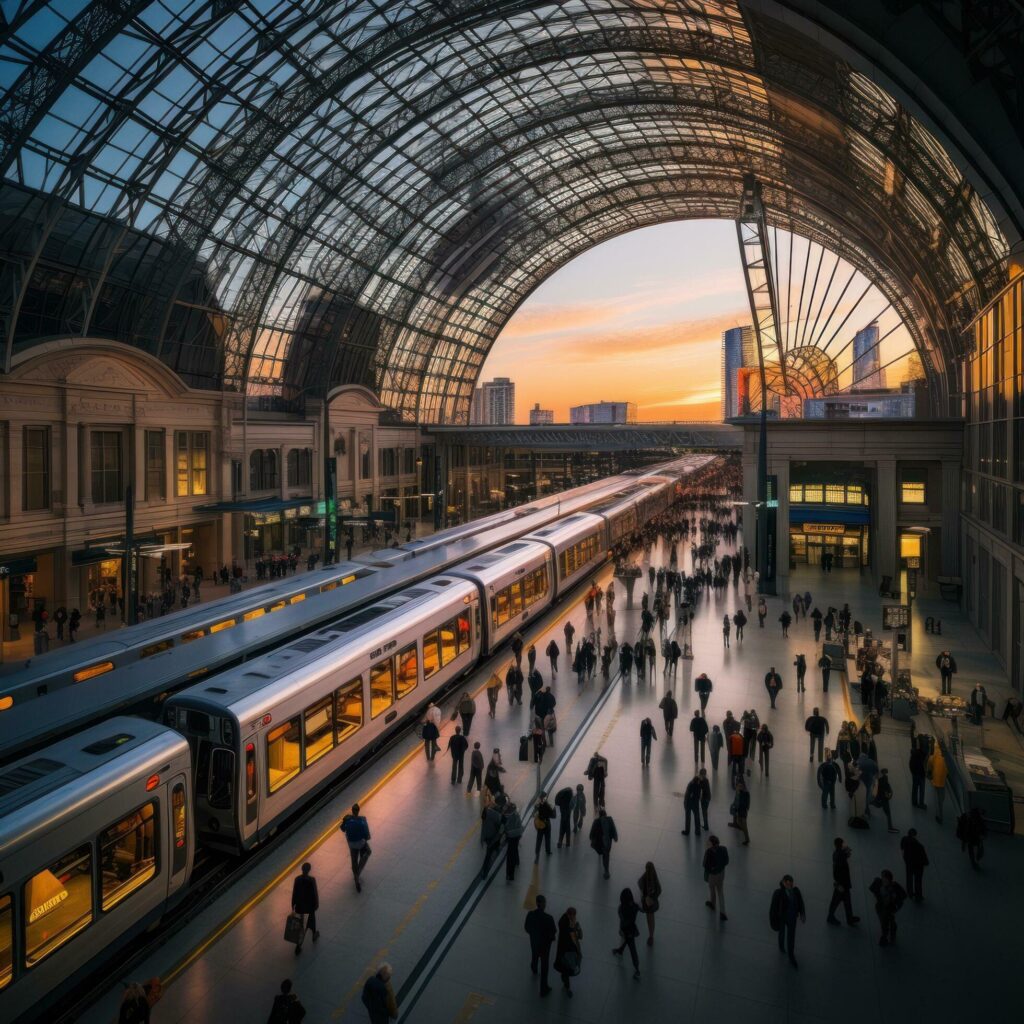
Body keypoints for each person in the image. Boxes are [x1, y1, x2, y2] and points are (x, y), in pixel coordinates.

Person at [769, 875, 806, 967]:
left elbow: (800, 903)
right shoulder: (778, 893)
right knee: (782, 933)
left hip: (792, 917)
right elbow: (773, 908)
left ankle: (791, 955)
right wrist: (774, 919)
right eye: (787, 883)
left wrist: (802, 913)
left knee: (791, 937)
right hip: (782, 918)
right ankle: (781, 946)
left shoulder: (796, 891)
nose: (790, 885)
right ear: (784, 883)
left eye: (791, 884)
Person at [524, 895, 557, 996]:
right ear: (543, 904)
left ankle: (534, 967)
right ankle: (543, 988)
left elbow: (526, 928)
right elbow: (553, 932)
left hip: (534, 943)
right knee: (544, 966)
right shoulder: (549, 918)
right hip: (545, 946)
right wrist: (549, 939)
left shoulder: (530, 914)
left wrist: (533, 935)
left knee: (534, 955)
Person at [826, 838, 860, 926]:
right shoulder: (840, 856)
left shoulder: (837, 853)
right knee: (837, 901)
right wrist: (838, 884)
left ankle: (849, 918)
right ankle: (832, 917)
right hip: (842, 884)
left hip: (842, 883)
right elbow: (848, 854)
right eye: (843, 843)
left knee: (845, 902)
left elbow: (847, 854)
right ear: (841, 845)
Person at [868, 869, 906, 947]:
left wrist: (895, 900)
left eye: (886, 879)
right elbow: (873, 889)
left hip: (890, 908)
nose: (884, 881)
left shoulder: (894, 886)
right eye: (883, 878)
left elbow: (903, 895)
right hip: (881, 907)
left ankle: (885, 936)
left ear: (889, 880)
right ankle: (890, 930)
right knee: (884, 921)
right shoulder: (879, 883)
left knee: (886, 921)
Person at [340, 804, 372, 891]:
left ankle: (356, 877)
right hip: (360, 843)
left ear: (352, 810)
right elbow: (368, 837)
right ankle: (357, 873)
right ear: (358, 811)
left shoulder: (347, 818)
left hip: (351, 843)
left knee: (354, 860)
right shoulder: (362, 820)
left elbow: (342, 829)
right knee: (368, 852)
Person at [611, 888, 642, 979]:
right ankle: (620, 950)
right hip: (632, 929)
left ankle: (637, 969)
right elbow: (642, 910)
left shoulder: (621, 908)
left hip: (626, 930)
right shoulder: (635, 906)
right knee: (629, 942)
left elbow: (622, 919)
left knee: (632, 949)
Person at [289, 863, 319, 954]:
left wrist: (293, 904)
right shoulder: (311, 880)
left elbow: (294, 893)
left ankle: (298, 946)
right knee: (311, 921)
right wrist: (316, 904)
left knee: (301, 925)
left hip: (300, 907)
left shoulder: (297, 879)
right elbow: (314, 893)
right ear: (309, 870)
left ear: (302, 869)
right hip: (309, 907)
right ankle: (314, 934)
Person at [554, 907, 583, 997]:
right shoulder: (567, 925)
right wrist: (575, 928)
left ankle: (566, 984)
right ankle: (567, 986)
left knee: (565, 969)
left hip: (566, 951)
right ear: (570, 915)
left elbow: (578, 936)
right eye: (573, 916)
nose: (574, 918)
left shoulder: (565, 922)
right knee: (566, 969)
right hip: (567, 952)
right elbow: (578, 936)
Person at [703, 834, 729, 921]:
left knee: (712, 889)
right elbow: (727, 861)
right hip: (721, 873)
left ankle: (713, 904)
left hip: (712, 876)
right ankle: (723, 912)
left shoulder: (709, 853)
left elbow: (705, 865)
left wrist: (712, 868)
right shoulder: (724, 849)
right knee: (720, 891)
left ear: (711, 844)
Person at [900, 828, 929, 902]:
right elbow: (925, 859)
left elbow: (902, 848)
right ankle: (918, 896)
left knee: (909, 877)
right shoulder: (920, 846)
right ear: (915, 836)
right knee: (918, 881)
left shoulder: (904, 839)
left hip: (909, 863)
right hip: (918, 866)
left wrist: (905, 858)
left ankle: (910, 893)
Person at [589, 807, 618, 878]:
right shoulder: (610, 819)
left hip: (600, 842)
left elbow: (591, 834)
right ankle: (606, 871)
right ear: (606, 814)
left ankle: (606, 870)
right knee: (606, 855)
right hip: (607, 842)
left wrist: (592, 839)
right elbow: (614, 829)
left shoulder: (596, 821)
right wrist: (615, 838)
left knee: (602, 852)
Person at [637, 862, 662, 946]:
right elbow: (659, 890)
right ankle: (651, 935)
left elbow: (640, 883)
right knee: (650, 919)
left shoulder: (645, 877)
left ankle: (651, 935)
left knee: (650, 919)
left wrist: (646, 896)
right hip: (650, 903)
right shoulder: (653, 877)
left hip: (649, 904)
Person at [480, 801, 504, 876]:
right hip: (492, 836)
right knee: (488, 855)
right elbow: (501, 822)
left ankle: (484, 870)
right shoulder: (495, 814)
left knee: (489, 851)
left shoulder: (485, 812)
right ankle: (484, 871)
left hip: (486, 835)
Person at [503, 802, 525, 881]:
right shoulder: (516, 815)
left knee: (510, 856)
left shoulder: (507, 817)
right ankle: (517, 861)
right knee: (515, 848)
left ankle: (510, 875)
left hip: (511, 835)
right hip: (518, 834)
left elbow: (504, 827)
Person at [874, 768, 899, 833]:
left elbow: (887, 785)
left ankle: (869, 806)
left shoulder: (882, 778)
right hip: (883, 798)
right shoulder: (882, 779)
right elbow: (884, 788)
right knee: (888, 813)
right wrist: (888, 793)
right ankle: (890, 828)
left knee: (879, 806)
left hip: (882, 798)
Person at [927, 745, 948, 823]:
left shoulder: (936, 752)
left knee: (937, 798)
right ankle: (940, 812)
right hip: (943, 780)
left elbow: (930, 761)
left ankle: (939, 816)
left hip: (936, 779)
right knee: (941, 797)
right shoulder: (946, 755)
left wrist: (929, 771)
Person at [730, 777, 750, 844]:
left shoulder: (744, 793)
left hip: (742, 810)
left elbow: (744, 802)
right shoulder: (740, 792)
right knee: (739, 821)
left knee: (743, 824)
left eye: (739, 786)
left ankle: (747, 838)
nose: (738, 787)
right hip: (741, 810)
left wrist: (746, 808)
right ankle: (744, 833)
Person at [909, 743, 928, 809]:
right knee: (922, 790)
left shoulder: (914, 754)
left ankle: (914, 802)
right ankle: (921, 803)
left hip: (915, 774)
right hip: (921, 775)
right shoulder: (923, 755)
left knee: (914, 788)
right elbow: (925, 766)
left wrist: (913, 772)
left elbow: (910, 764)